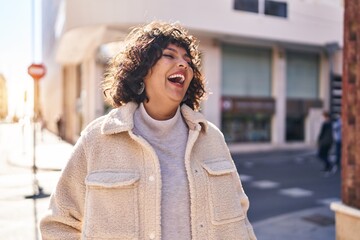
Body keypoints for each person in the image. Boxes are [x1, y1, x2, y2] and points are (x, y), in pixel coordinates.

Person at [40, 21, 256, 240]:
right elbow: (58, 223)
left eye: (188, 61)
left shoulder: (212, 139)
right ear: (142, 70)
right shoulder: (97, 139)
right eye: (170, 56)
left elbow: (240, 216)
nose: (183, 64)